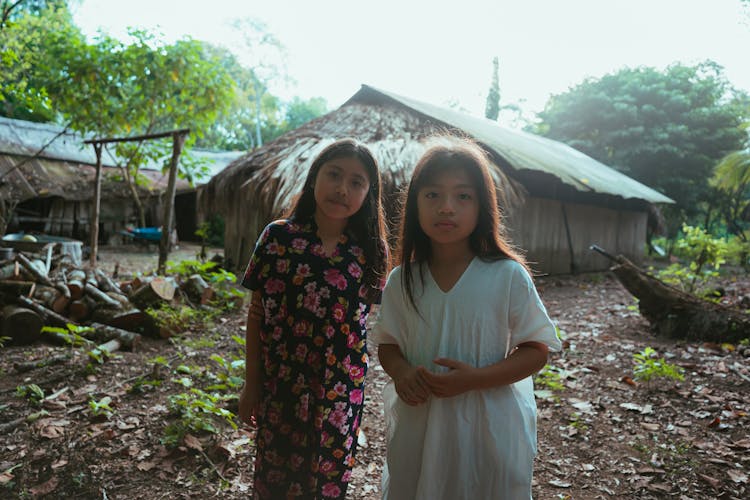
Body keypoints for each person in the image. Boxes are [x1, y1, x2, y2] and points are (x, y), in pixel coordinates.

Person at [371, 136, 562, 499]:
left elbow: (536, 349)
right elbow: (388, 344)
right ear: (415, 204)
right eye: (432, 195)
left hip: (488, 423)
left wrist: (475, 380)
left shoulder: (506, 276)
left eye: (463, 196)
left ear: (482, 207)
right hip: (420, 421)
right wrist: (403, 372)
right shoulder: (403, 279)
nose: (446, 207)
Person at [238, 138, 389, 499]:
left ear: (368, 192)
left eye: (356, 182)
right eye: (333, 174)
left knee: (327, 480)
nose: (342, 189)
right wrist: (251, 384)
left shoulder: (371, 250)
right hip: (282, 382)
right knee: (275, 475)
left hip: (341, 390)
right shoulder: (278, 238)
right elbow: (257, 315)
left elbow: (367, 320)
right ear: (313, 178)